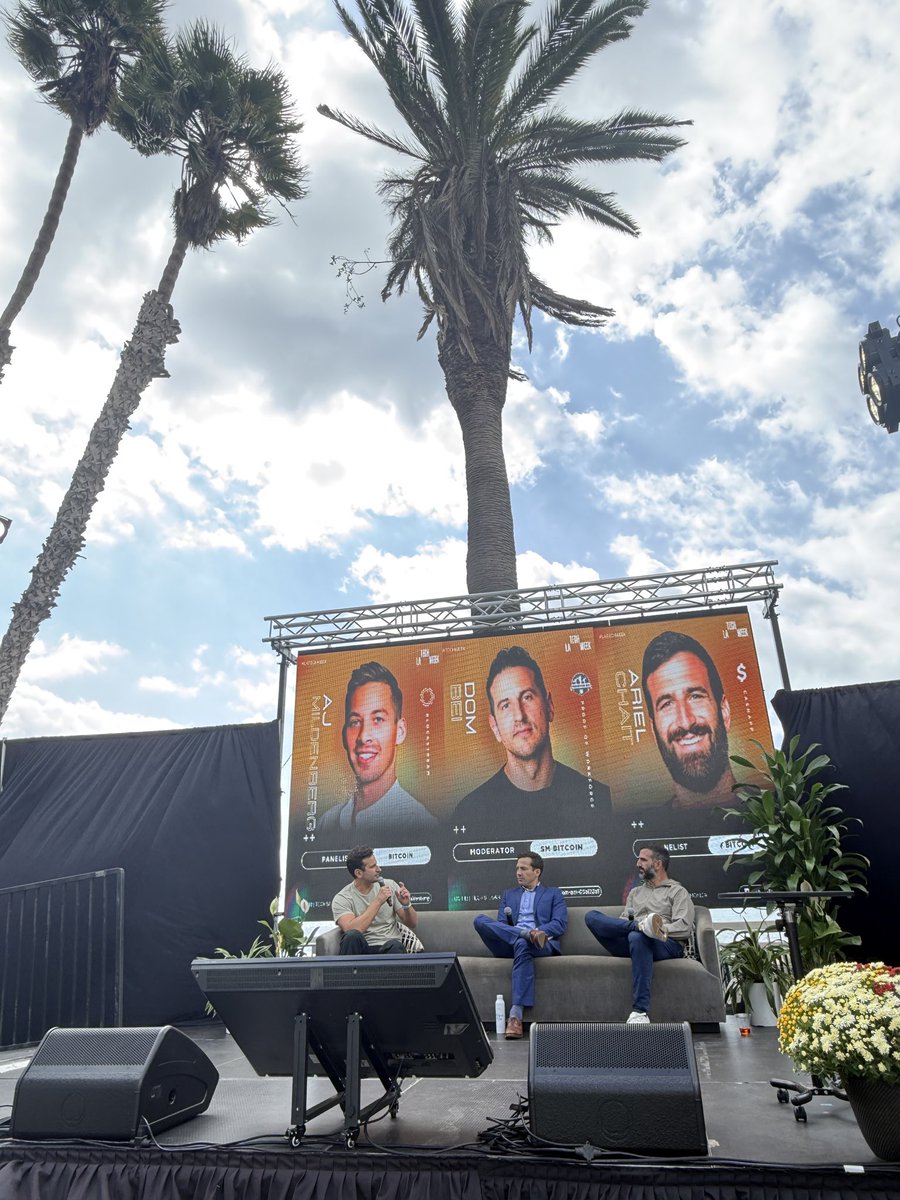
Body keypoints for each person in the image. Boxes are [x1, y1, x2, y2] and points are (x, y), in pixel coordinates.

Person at [452, 645, 610, 838]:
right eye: (505, 706)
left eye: (527, 697)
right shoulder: (469, 813)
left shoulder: (600, 800)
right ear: (495, 727)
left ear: (549, 706)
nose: (519, 715)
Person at [318, 661, 436, 840]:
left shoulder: (423, 825)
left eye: (378, 719)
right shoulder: (327, 822)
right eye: (355, 722)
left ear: (400, 731)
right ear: (344, 735)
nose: (364, 736)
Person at [584, 844, 694, 1023]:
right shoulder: (635, 893)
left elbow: (684, 927)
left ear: (657, 864)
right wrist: (637, 926)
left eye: (643, 859)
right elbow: (622, 921)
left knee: (638, 936)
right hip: (633, 939)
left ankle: (640, 1011)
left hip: (665, 944)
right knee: (592, 917)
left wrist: (657, 929)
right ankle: (641, 926)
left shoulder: (677, 891)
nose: (638, 864)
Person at [472, 853, 568, 1038]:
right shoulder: (509, 894)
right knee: (480, 920)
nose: (518, 872)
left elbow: (559, 924)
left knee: (523, 944)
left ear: (537, 872)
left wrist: (537, 931)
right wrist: (521, 933)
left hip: (541, 943)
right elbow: (500, 926)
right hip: (510, 943)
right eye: (517, 868)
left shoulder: (553, 894)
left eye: (523, 868)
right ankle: (525, 934)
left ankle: (515, 1016)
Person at [331, 846, 418, 954]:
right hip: (362, 949)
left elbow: (412, 923)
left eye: (377, 864)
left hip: (388, 947)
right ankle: (350, 971)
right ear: (358, 873)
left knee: (396, 946)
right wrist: (378, 901)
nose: (379, 869)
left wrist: (406, 905)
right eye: (373, 866)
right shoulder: (343, 898)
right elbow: (351, 930)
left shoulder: (390, 885)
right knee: (352, 936)